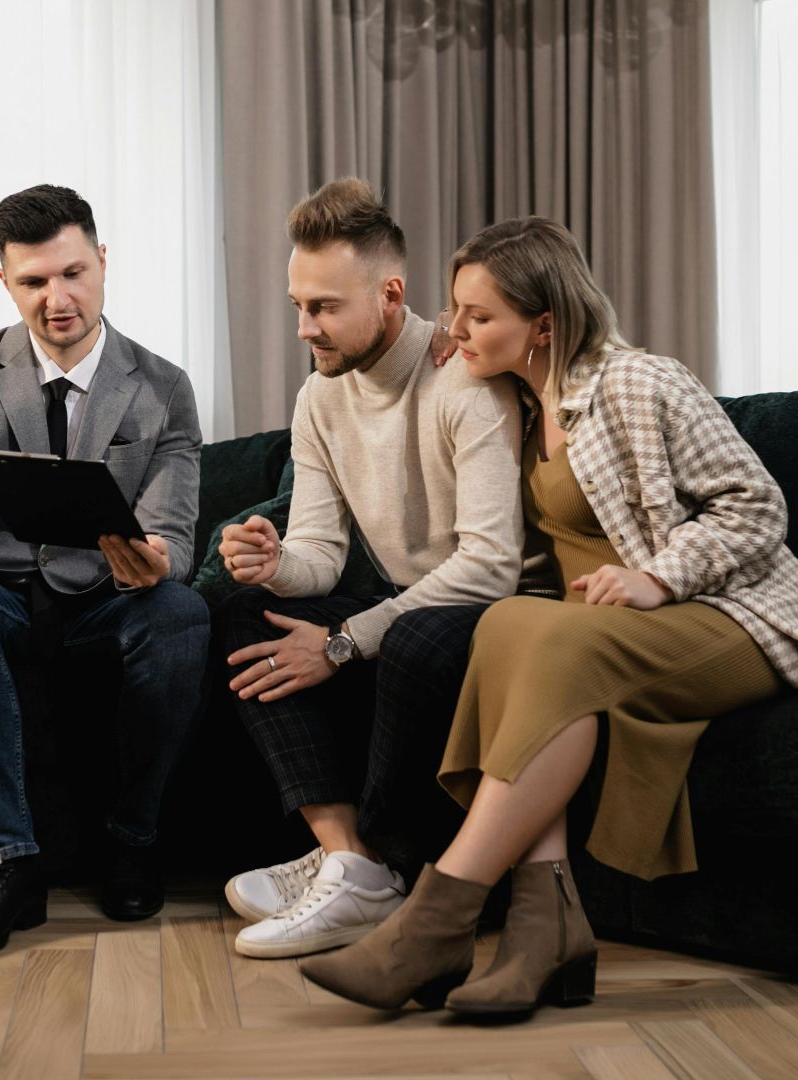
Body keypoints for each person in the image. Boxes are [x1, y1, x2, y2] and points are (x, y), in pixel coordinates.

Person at [301, 217, 798, 1015]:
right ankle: (548, 932)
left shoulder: (642, 382)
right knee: (504, 626)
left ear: (546, 325)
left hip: (735, 619)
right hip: (601, 633)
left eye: (479, 316)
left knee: (534, 634)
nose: (456, 329)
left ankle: (438, 920)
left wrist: (659, 578)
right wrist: (452, 347)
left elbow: (757, 507)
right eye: (455, 310)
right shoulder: (520, 401)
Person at [214, 179, 544, 960]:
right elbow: (321, 558)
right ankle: (349, 859)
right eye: (298, 305)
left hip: (502, 611)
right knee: (237, 615)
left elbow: (492, 567)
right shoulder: (319, 400)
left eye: (324, 307)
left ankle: (384, 865)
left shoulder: (466, 380)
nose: (304, 328)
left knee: (408, 638)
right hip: (414, 602)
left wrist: (341, 644)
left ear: (390, 294)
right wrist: (270, 564)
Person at [0, 184, 208, 960]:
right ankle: (8, 860)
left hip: (102, 604)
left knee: (182, 614)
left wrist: (156, 559)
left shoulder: (163, 386)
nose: (57, 299)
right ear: (5, 282)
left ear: (103, 262)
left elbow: (176, 538)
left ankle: (131, 840)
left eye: (73, 273)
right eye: (33, 282)